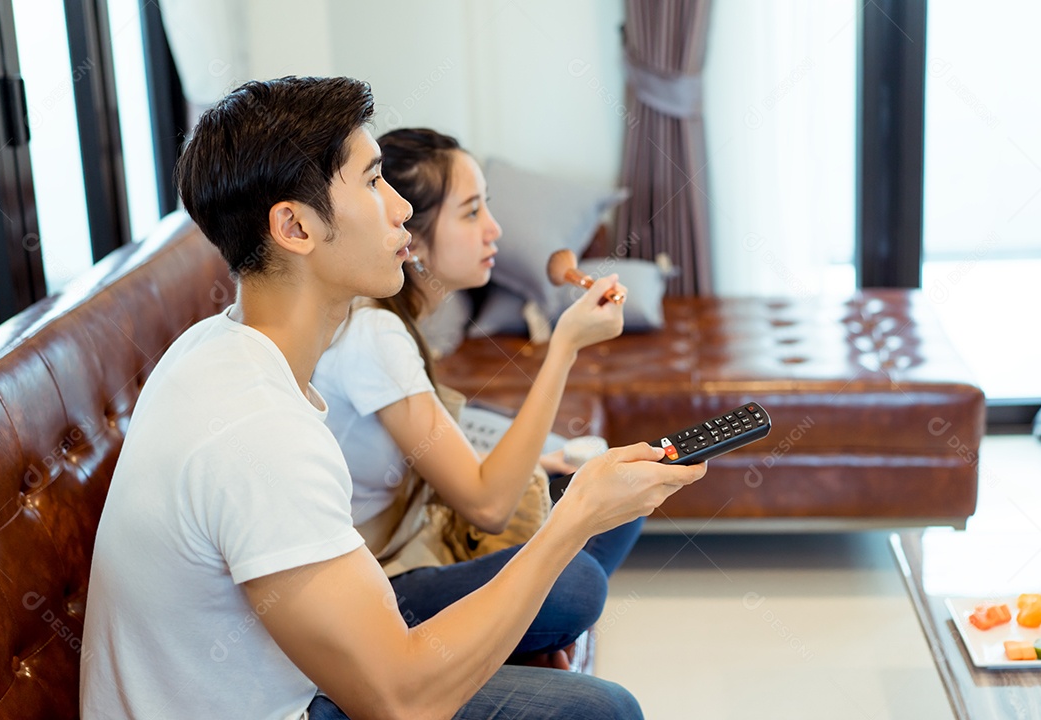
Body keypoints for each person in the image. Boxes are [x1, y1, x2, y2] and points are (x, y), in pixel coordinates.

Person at [80, 76, 706, 720]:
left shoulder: (212, 347)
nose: (401, 208)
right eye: (374, 181)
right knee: (603, 711)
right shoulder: (259, 430)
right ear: (294, 226)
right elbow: (401, 705)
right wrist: (573, 518)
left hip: (296, 675)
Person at [312, 128, 645, 666]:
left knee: (620, 491)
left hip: (418, 536)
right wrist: (564, 346)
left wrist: (539, 462)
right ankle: (532, 635)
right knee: (576, 585)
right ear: (410, 241)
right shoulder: (375, 336)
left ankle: (533, 637)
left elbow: (435, 463)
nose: (494, 230)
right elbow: (489, 507)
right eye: (471, 213)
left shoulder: (398, 322)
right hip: (381, 585)